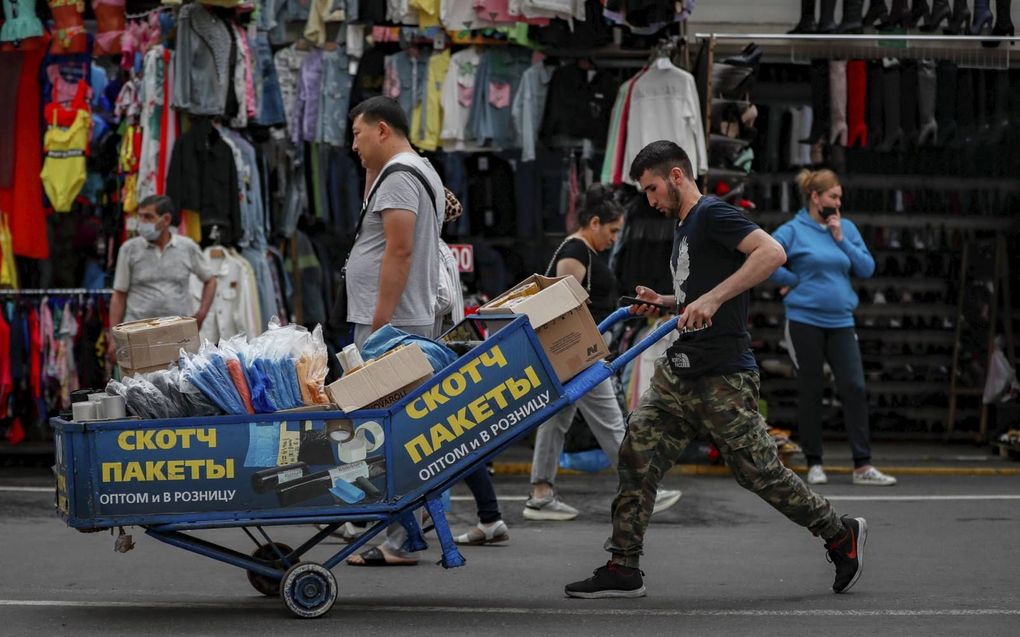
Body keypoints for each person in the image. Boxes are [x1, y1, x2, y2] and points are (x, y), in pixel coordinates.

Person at [565, 141, 868, 599]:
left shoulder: (712, 214)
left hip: (723, 374)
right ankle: (623, 566)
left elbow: (771, 254)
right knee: (636, 456)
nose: (648, 200)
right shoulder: (684, 224)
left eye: (651, 188)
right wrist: (670, 301)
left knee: (758, 472)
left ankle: (839, 532)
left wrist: (713, 298)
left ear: (677, 177)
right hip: (681, 371)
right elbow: (698, 288)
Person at [341, 97, 507, 565]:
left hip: (395, 323)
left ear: (381, 130)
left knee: (391, 433)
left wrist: (379, 326)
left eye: (357, 133)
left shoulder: (399, 178)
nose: (352, 144)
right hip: (404, 319)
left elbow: (399, 251)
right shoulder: (411, 171)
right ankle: (404, 527)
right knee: (405, 429)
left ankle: (398, 540)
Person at [526, 184, 682, 521]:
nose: (614, 238)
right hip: (579, 355)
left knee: (556, 422)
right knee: (612, 423)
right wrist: (583, 351)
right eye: (612, 230)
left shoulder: (583, 251)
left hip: (576, 354)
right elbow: (563, 308)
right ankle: (642, 487)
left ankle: (540, 493)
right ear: (594, 222)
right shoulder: (575, 252)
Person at [769, 170, 896, 487]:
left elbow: (866, 269)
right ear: (815, 197)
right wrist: (791, 280)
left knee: (854, 387)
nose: (839, 202)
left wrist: (841, 239)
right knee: (811, 389)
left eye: (840, 197)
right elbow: (766, 258)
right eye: (834, 197)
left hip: (841, 320)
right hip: (804, 319)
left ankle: (862, 465)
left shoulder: (846, 228)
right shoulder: (793, 230)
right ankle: (814, 463)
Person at [110, 195, 217, 330]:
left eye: (148, 217)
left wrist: (201, 314)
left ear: (166, 219)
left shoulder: (187, 247)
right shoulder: (129, 249)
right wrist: (114, 335)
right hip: (137, 331)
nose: (141, 222)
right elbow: (119, 294)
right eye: (140, 216)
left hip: (177, 331)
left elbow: (210, 280)